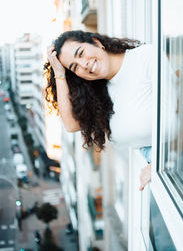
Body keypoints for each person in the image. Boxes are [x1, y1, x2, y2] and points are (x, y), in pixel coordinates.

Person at [44, 31, 156, 190]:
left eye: (81, 53)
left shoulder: (144, 57)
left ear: (97, 43)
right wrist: (59, 73)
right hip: (163, 169)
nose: (84, 64)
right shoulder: (103, 95)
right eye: (75, 67)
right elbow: (71, 125)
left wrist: (160, 161)